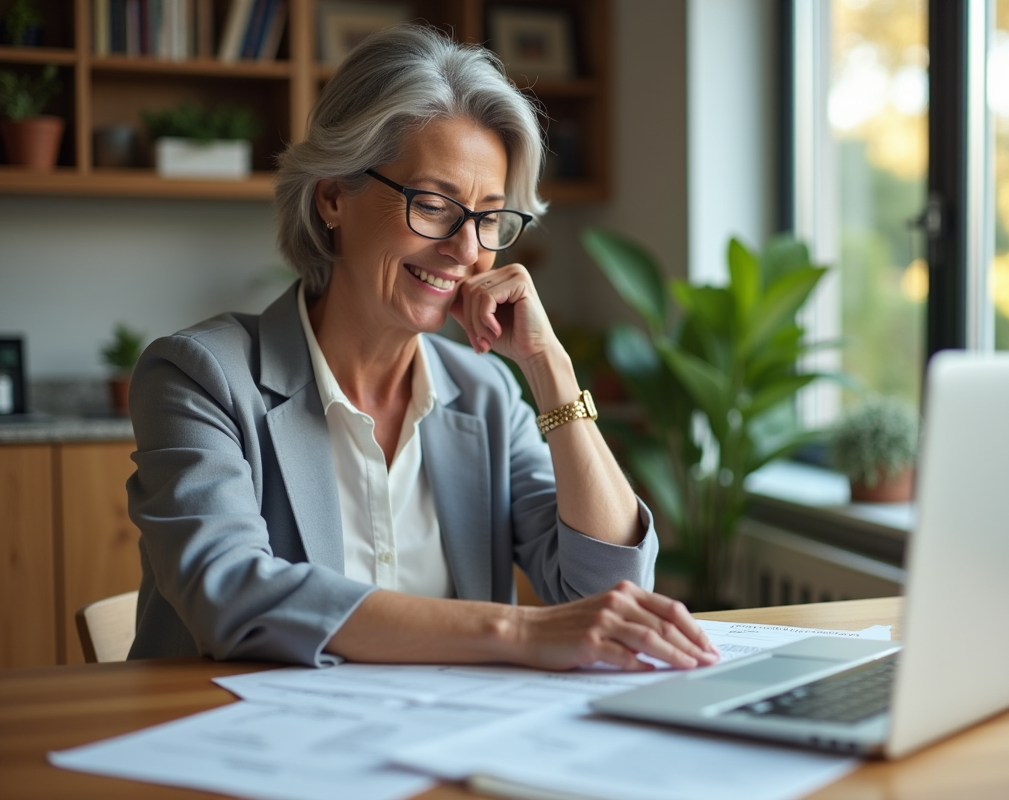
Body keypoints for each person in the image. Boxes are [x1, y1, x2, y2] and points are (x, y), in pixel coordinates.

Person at [125, 25, 718, 671]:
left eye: (490, 217)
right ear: (332, 198)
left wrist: (551, 368)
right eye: (434, 205)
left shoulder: (485, 393)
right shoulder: (202, 377)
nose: (467, 250)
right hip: (236, 751)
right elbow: (229, 592)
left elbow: (606, 594)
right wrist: (518, 633)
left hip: (438, 752)